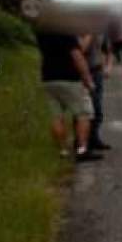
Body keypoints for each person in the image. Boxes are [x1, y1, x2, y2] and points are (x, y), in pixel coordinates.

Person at [37, 27, 100, 162]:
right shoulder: (66, 33)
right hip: (69, 78)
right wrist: (88, 80)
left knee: (57, 116)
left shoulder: (42, 33)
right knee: (83, 114)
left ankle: (63, 150)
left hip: (48, 78)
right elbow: (77, 56)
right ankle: (82, 150)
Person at [79, 31, 112, 151]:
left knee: (97, 108)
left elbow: (108, 51)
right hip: (82, 72)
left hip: (97, 71)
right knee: (85, 110)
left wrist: (108, 67)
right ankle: (82, 142)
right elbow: (81, 49)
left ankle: (94, 138)